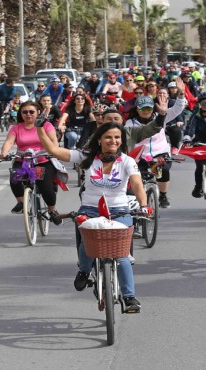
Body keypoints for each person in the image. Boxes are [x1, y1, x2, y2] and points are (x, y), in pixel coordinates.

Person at [35, 121, 149, 313]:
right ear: (100, 139)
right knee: (86, 246)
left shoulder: (128, 161)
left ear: (121, 141)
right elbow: (54, 150)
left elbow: (137, 185)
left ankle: (129, 298)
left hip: (120, 211)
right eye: (108, 137)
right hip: (90, 210)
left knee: (121, 256)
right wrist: (40, 128)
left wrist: (144, 205)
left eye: (117, 137)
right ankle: (84, 271)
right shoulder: (86, 157)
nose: (113, 141)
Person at [0, 101, 63, 225]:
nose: (28, 114)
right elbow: (9, 142)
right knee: (15, 178)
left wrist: (55, 150)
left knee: (45, 186)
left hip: (42, 159)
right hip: (23, 161)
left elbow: (54, 140)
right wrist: (4, 153)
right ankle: (21, 202)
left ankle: (52, 210)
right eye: (25, 112)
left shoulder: (46, 125)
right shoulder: (16, 128)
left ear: (38, 112)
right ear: (20, 114)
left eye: (31, 112)